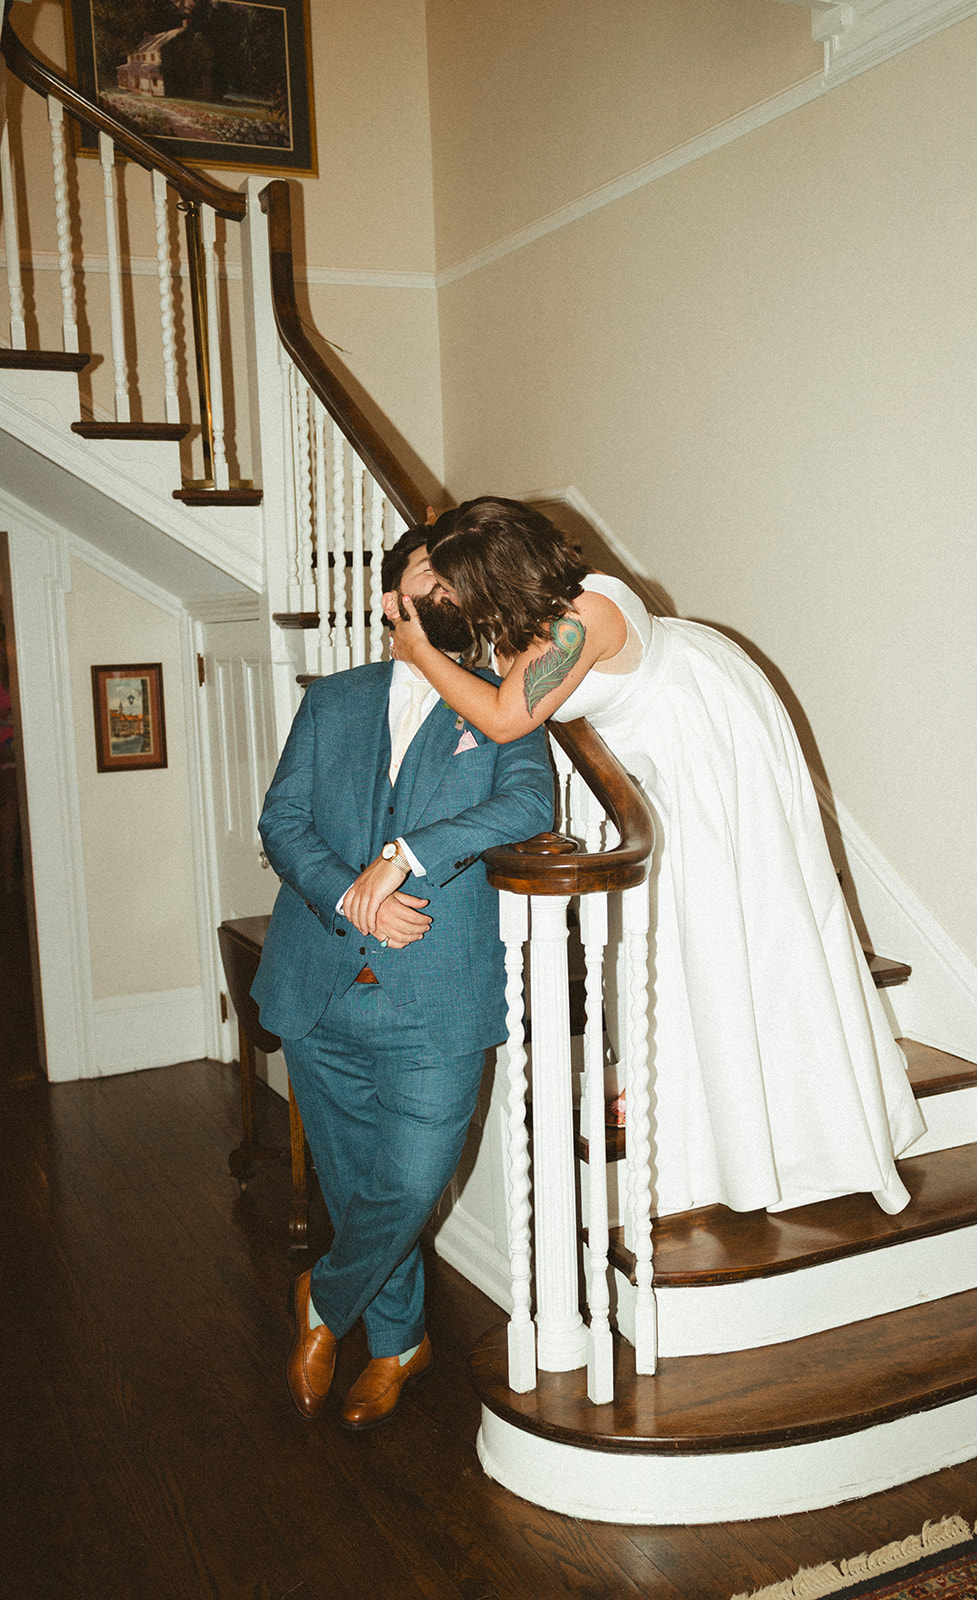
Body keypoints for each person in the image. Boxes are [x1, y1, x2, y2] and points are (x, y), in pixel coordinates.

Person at [389, 496, 926, 1219]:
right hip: (665, 750)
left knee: (745, 928)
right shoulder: (527, 623)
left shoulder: (588, 613)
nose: (445, 602)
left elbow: (506, 716)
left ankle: (811, 1134)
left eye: (450, 586)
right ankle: (709, 1117)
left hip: (704, 741)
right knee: (689, 939)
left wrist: (417, 649)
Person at [252, 526, 555, 1428]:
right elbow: (284, 820)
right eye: (432, 577)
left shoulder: (505, 705)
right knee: (351, 1182)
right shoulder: (334, 700)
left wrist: (405, 857)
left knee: (413, 1180)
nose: (453, 591)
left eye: (464, 581)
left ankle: (322, 1300)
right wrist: (351, 896)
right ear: (393, 602)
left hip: (437, 997)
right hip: (320, 987)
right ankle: (396, 1344)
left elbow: (528, 800)